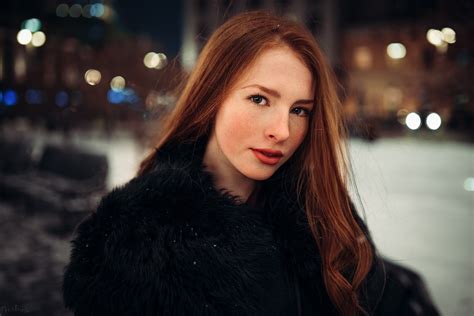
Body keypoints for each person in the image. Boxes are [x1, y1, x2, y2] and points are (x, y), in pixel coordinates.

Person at [62, 10, 440, 316]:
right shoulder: (134, 236)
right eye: (260, 99)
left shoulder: (321, 210)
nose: (283, 130)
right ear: (213, 96)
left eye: (299, 110)